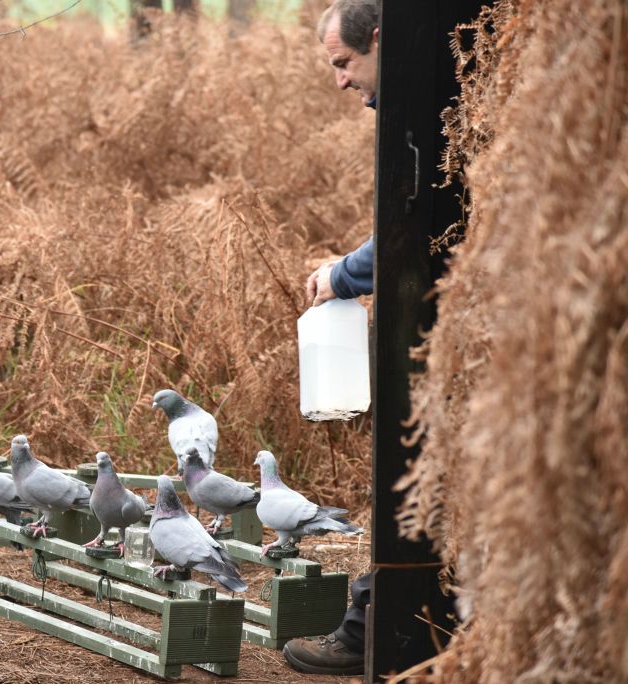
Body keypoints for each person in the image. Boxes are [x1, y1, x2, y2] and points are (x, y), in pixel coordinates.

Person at [283, 0, 378, 676]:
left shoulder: (434, 112)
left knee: (411, 492)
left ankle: (365, 632)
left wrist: (344, 274)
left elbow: (418, 217)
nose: (339, 81)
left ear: (379, 40)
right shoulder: (419, 104)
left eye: (344, 63)